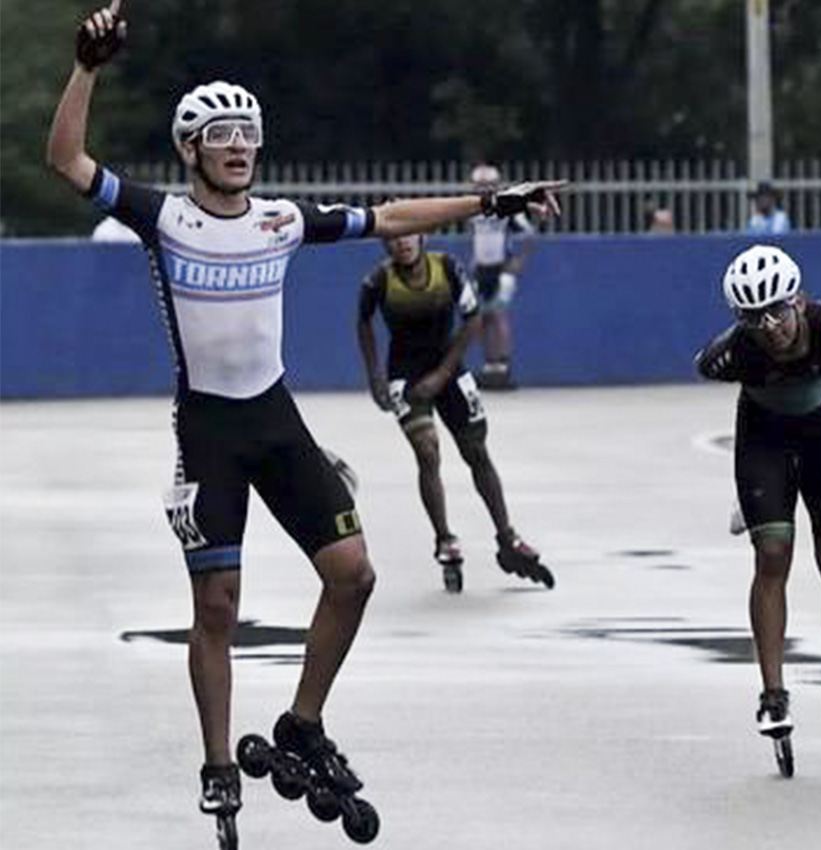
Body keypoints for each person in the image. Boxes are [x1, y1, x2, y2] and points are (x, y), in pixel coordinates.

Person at [45, 2, 563, 834]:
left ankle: (302, 724)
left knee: (354, 575)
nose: (240, 146)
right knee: (216, 604)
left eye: (248, 133)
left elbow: (388, 218)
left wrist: (490, 205)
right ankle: (217, 764)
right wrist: (87, 68)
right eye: (221, 136)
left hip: (276, 420)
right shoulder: (161, 217)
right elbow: (66, 159)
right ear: (192, 152)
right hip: (209, 430)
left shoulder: (281, 221)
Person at [695, 244, 821, 750]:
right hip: (764, 436)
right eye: (754, 318)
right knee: (772, 555)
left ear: (800, 301)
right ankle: (773, 694)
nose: (770, 326)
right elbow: (705, 363)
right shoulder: (730, 355)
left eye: (778, 310)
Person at [356, 233, 554, 593]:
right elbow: (363, 322)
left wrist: (443, 374)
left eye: (408, 237)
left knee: (476, 451)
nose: (402, 244)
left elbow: (474, 318)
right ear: (385, 246)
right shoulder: (378, 281)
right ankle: (444, 538)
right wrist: (375, 377)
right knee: (427, 451)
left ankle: (507, 537)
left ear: (423, 238)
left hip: (449, 369)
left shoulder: (447, 268)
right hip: (407, 375)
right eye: (393, 239)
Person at [467, 163, 537, 390]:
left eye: (488, 185)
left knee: (499, 315)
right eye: (480, 185)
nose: (483, 189)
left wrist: (518, 261)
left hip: (501, 267)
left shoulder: (506, 211)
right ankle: (490, 364)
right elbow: (475, 238)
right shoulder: (473, 211)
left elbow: (528, 233)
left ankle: (503, 365)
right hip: (481, 268)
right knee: (482, 317)